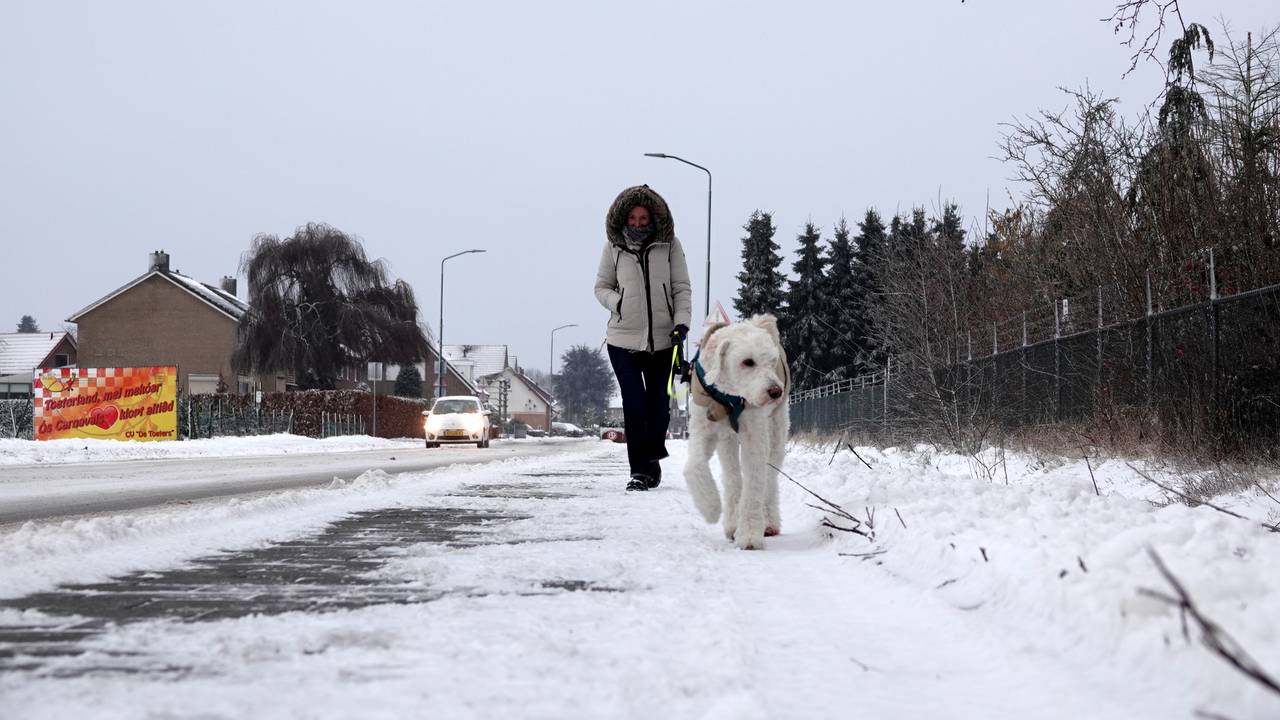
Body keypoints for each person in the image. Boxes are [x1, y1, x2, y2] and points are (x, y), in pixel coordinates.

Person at [594, 184, 692, 491]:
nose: (638, 223)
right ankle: (639, 470)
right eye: (633, 218)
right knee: (634, 404)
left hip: (664, 341)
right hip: (622, 341)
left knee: (659, 405)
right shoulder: (613, 248)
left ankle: (651, 461)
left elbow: (681, 288)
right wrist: (618, 302)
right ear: (624, 218)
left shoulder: (670, 246)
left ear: (653, 218)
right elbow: (601, 287)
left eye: (643, 217)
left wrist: (682, 325)